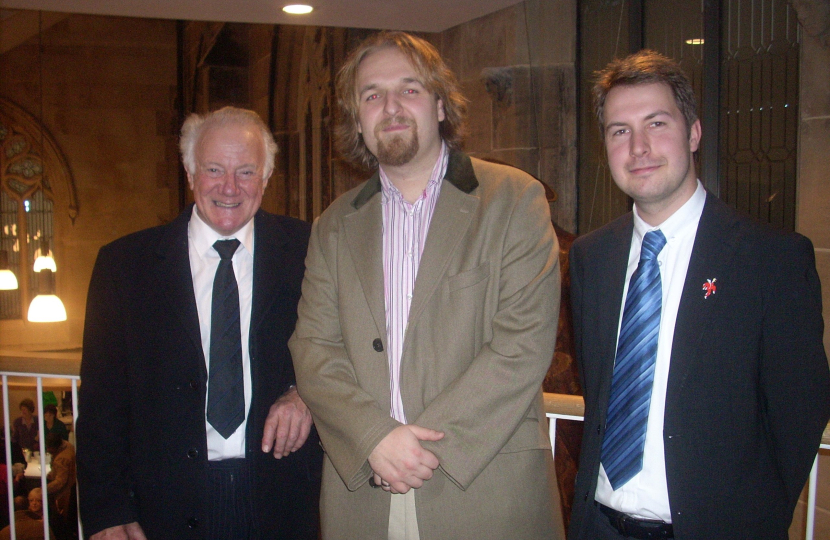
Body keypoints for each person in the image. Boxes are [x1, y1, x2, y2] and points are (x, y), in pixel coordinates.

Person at [289, 31, 564, 539]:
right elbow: (313, 349)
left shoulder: (513, 200)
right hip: (364, 496)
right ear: (358, 119)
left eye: (409, 89)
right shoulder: (333, 225)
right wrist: (374, 438)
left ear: (440, 104)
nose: (390, 107)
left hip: (485, 491)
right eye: (371, 95)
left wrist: (417, 451)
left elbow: (521, 346)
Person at [568, 49, 830, 540]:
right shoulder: (591, 259)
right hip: (597, 525)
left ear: (693, 133)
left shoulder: (770, 260)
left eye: (657, 123)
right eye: (619, 131)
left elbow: (800, 416)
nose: (638, 147)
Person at [77, 106, 322, 540]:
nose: (229, 187)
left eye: (246, 171)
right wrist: (106, 511)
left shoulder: (311, 252)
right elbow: (102, 401)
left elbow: (347, 348)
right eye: (214, 169)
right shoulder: (125, 265)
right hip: (164, 506)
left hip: (283, 498)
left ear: (266, 179)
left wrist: (305, 393)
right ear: (190, 173)